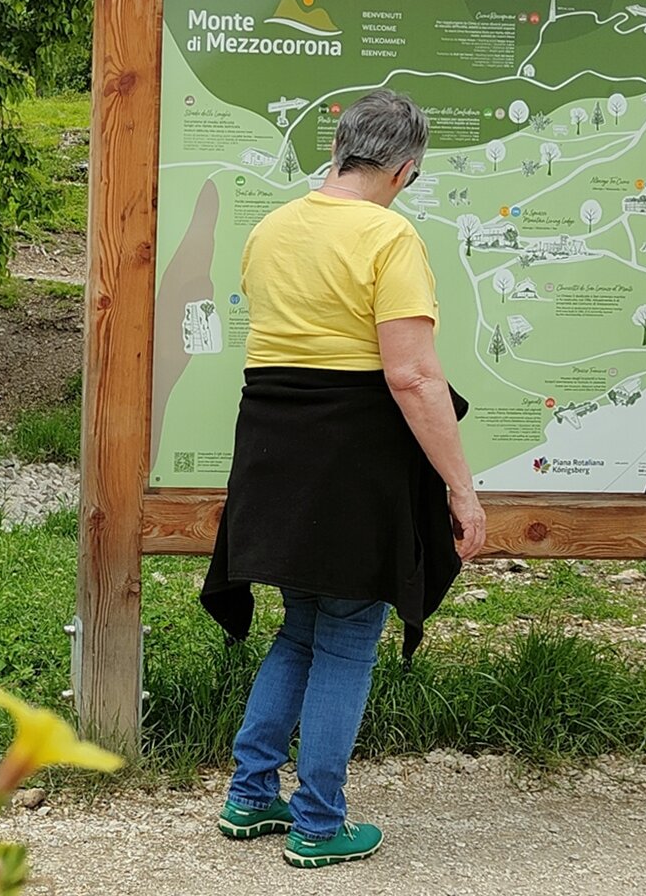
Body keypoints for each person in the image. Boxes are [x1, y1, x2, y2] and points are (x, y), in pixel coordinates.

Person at [201, 89, 486, 870]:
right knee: (350, 637)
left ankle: (251, 794)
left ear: (341, 147)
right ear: (406, 169)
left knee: (301, 625)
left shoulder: (270, 227)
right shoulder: (390, 236)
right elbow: (414, 376)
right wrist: (461, 488)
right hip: (351, 460)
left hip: (273, 450)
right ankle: (320, 822)